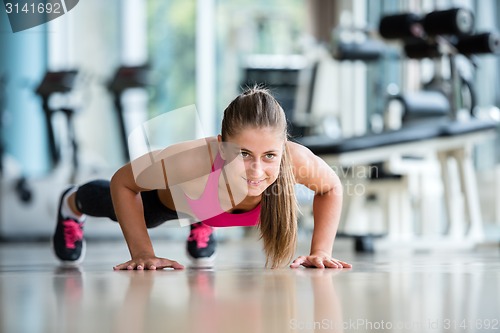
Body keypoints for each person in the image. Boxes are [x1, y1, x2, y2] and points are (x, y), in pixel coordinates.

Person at [52, 87, 352, 270]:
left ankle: (203, 221)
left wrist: (321, 251)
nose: (257, 171)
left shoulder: (296, 160)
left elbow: (332, 187)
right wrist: (143, 253)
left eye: (270, 156)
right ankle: (71, 202)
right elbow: (123, 181)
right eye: (244, 154)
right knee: (124, 210)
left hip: (207, 201)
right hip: (172, 202)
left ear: (283, 147)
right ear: (221, 144)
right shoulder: (194, 159)